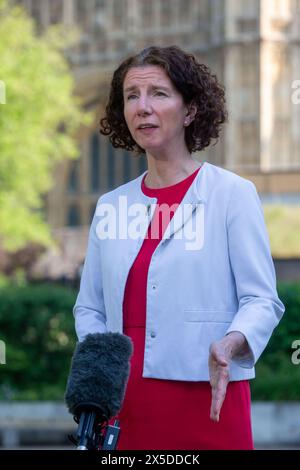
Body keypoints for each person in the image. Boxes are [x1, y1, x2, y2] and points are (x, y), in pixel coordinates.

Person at [73, 45, 285, 450]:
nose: (142, 107)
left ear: (190, 110)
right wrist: (98, 370)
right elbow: (89, 308)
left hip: (207, 396)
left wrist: (231, 342)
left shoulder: (232, 194)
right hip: (123, 404)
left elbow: (261, 300)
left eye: (158, 93)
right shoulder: (111, 206)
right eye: (132, 96)